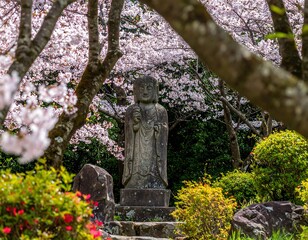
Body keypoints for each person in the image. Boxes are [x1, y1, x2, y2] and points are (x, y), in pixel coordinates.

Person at [122, 76, 168, 189]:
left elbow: (164, 133)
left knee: (153, 167)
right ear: (136, 91)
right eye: (141, 88)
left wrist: (160, 130)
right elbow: (128, 134)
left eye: (149, 88)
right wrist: (134, 124)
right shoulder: (131, 110)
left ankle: (155, 179)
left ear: (155, 91)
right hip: (136, 149)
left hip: (153, 148)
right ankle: (134, 180)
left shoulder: (160, 111)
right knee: (136, 168)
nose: (145, 91)